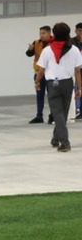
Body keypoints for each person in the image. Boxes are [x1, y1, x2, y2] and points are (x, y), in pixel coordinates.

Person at [34, 22, 82, 152]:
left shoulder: (47, 50)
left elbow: (41, 70)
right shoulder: (74, 50)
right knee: (62, 113)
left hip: (53, 84)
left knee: (58, 113)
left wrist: (36, 82)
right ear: (68, 34)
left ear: (54, 34)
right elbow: (77, 71)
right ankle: (55, 139)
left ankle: (65, 143)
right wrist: (79, 87)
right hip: (68, 83)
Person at [26, 25, 53, 124]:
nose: (41, 35)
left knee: (52, 96)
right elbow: (29, 54)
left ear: (49, 33)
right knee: (39, 95)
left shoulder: (54, 43)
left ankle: (53, 115)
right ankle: (39, 116)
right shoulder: (36, 43)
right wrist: (30, 50)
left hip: (50, 73)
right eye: (40, 33)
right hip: (38, 73)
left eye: (43, 33)